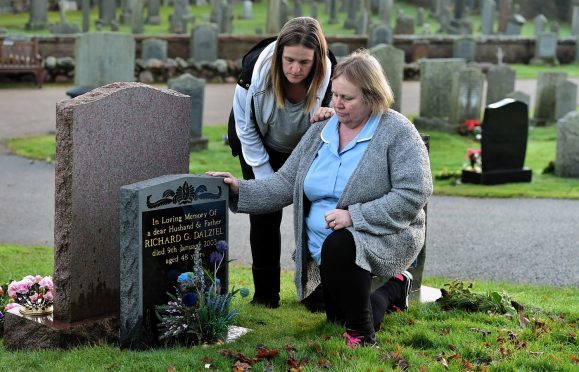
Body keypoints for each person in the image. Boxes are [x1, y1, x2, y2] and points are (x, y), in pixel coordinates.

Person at [210, 50, 432, 347]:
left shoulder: (398, 131)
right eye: (335, 95)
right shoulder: (320, 130)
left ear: (372, 96)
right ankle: (395, 287)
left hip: (379, 236)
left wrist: (355, 216)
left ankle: (362, 336)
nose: (337, 104)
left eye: (347, 98)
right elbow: (285, 182)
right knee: (336, 313)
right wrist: (239, 188)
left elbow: (413, 194)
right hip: (320, 251)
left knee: (342, 248)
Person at [227, 17, 336, 308]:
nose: (295, 69)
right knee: (264, 214)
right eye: (289, 60)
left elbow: (340, 119)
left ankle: (316, 291)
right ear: (279, 56)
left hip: (308, 147)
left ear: (318, 59)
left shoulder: (331, 74)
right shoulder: (254, 71)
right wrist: (266, 180)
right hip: (259, 143)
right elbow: (245, 127)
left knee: (317, 214)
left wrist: (329, 115)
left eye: (304, 62)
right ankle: (265, 295)